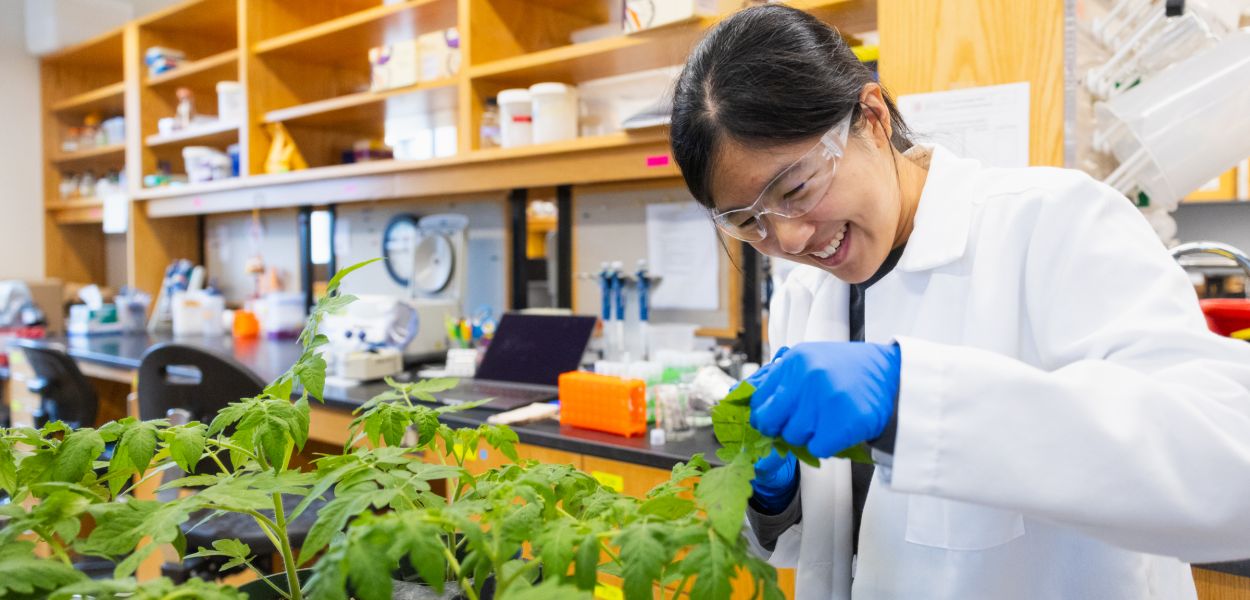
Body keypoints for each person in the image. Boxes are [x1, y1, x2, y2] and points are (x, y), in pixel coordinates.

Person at [669, 5, 1250, 600]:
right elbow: (839, 545)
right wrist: (776, 500)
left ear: (869, 118)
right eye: (749, 222)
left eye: (796, 188)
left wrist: (916, 402)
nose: (787, 240)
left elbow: (1230, 465)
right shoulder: (802, 294)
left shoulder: (1055, 224)